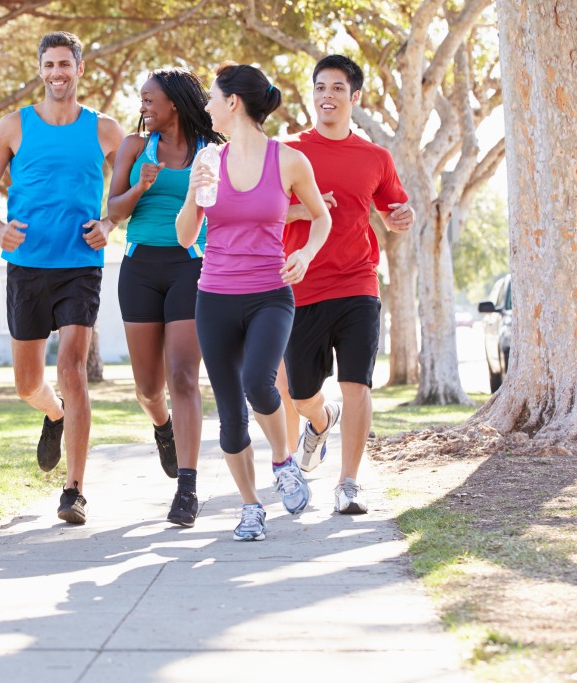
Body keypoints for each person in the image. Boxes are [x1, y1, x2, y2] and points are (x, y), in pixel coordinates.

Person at [0, 32, 124, 525]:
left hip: (80, 263)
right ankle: (53, 413)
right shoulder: (14, 127)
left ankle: (74, 491)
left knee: (73, 369)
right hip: (28, 266)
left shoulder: (105, 129)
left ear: (80, 68)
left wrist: (108, 223)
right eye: (49, 65)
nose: (57, 72)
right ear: (41, 70)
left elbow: (127, 191)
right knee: (26, 383)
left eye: (65, 64)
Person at [177, 63, 331, 542]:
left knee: (259, 384)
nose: (205, 106)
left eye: (212, 97)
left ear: (233, 103)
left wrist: (304, 253)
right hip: (215, 296)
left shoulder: (288, 161)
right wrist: (193, 195)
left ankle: (284, 463)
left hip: (269, 294)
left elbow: (322, 218)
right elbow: (186, 237)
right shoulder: (208, 162)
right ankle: (250, 508)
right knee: (229, 416)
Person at [281, 54, 414, 514]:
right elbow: (261, 213)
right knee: (301, 395)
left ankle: (349, 484)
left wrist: (402, 217)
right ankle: (320, 422)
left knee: (357, 384)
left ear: (354, 97)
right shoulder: (290, 152)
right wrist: (304, 210)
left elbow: (393, 209)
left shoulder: (375, 156)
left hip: (359, 283)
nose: (327, 96)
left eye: (337, 88)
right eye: (320, 87)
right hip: (302, 287)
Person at [107, 67, 223, 528]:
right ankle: (162, 428)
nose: (143, 106)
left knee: (183, 376)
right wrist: (141, 185)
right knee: (149, 387)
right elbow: (112, 210)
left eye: (150, 99)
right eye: (140, 99)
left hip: (191, 265)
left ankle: (188, 487)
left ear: (173, 102)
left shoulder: (210, 151)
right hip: (139, 266)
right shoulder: (136, 148)